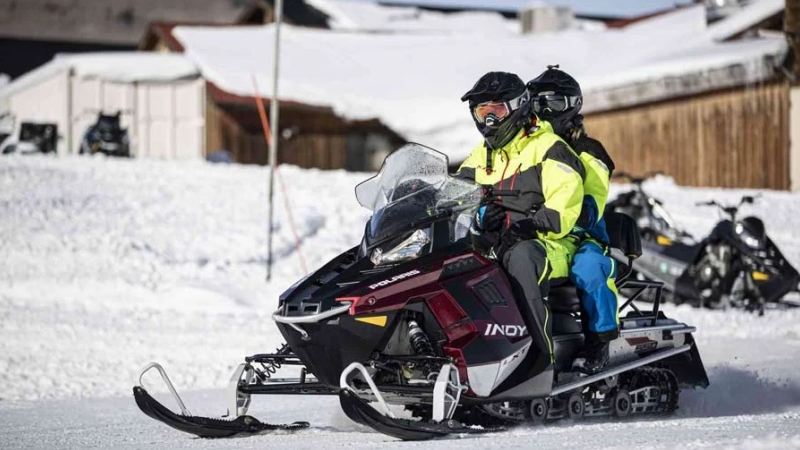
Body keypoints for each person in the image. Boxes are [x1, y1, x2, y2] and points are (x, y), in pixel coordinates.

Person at [455, 71, 586, 374]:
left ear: (518, 106)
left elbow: (564, 207)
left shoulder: (549, 147)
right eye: (482, 112)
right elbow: (454, 196)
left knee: (521, 258)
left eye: (496, 111)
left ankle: (539, 361)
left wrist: (527, 226)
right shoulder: (480, 156)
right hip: (497, 243)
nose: (489, 120)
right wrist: (478, 217)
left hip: (550, 244)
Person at [527, 65, 619, 374]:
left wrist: (546, 216)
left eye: (552, 104)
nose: (543, 112)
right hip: (535, 232)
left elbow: (590, 204)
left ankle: (599, 341)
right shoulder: (527, 149)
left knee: (589, 268)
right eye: (536, 103)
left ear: (572, 106)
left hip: (582, 235)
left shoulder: (588, 152)